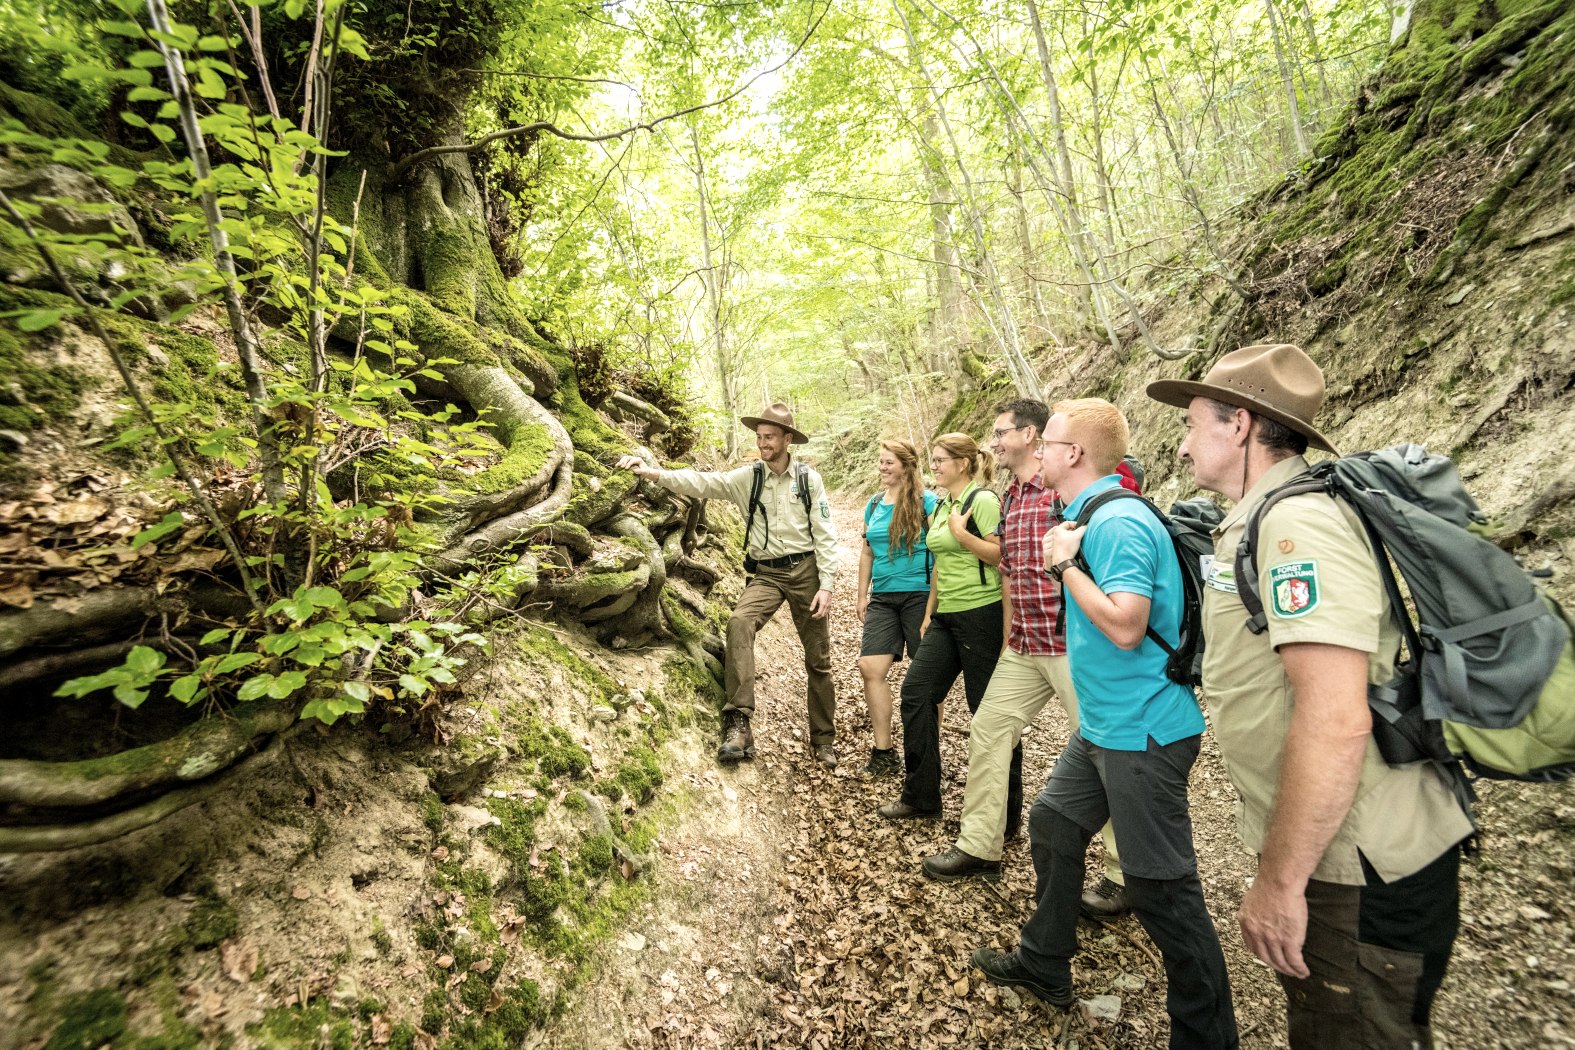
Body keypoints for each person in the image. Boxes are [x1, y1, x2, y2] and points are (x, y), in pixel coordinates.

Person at [1147, 344, 1473, 1049]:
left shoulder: (1295, 528)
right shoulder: (1266, 517)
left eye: (1192, 423)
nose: (1179, 445)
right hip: (1348, 848)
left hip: (1358, 864)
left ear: (1237, 426)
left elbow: (1333, 718)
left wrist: (1277, 882)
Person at [971, 398, 1237, 1050]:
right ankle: (1043, 962)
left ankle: (1206, 1038)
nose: (1038, 452)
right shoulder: (1085, 514)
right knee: (1054, 823)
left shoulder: (1114, 523)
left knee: (1161, 894)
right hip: (1104, 728)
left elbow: (1125, 625)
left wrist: (1063, 565)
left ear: (1074, 455)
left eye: (1049, 442)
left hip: (1143, 733)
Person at [923, 400, 1125, 912]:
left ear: (1030, 435)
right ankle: (979, 845)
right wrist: (1012, 633)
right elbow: (1011, 571)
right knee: (989, 728)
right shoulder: (1011, 497)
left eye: (1000, 432)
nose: (993, 441)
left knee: (1106, 753)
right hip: (1027, 645)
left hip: (1073, 648)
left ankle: (1123, 874)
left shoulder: (1064, 493)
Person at [615, 402, 841, 768]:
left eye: (770, 437)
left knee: (818, 657)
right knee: (739, 622)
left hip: (806, 572)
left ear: (787, 439)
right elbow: (703, 482)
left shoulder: (807, 480)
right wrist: (652, 473)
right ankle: (738, 723)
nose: (763, 442)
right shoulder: (747, 477)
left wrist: (826, 584)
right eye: (759, 436)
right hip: (766, 574)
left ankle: (824, 739)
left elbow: (826, 535)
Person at [875, 433, 1003, 820]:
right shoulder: (946, 502)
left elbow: (1002, 556)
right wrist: (931, 611)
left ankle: (1002, 817)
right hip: (946, 615)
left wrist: (963, 534)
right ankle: (922, 796)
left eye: (941, 459)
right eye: (933, 459)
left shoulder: (983, 500)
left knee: (987, 713)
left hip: (982, 614)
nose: (935, 466)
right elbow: (940, 565)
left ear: (963, 463)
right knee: (916, 692)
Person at [856, 440, 939, 776]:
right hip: (883, 598)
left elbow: (941, 550)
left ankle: (928, 752)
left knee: (928, 675)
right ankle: (884, 752)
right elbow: (867, 551)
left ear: (907, 465)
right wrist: (862, 595)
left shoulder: (927, 502)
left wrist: (936, 601)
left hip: (919, 595)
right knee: (870, 667)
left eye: (889, 462)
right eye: (880, 462)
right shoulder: (874, 503)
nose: (883, 467)